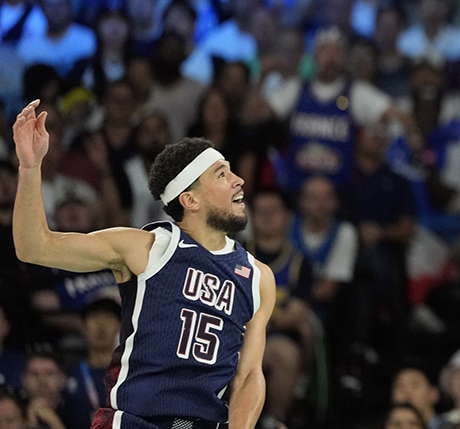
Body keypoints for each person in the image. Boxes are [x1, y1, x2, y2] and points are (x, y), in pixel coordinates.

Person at [11, 99, 275, 427]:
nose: (239, 181)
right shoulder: (148, 248)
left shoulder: (258, 277)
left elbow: (249, 375)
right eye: (223, 175)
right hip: (134, 420)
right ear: (190, 199)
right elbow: (35, 247)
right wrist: (30, 167)